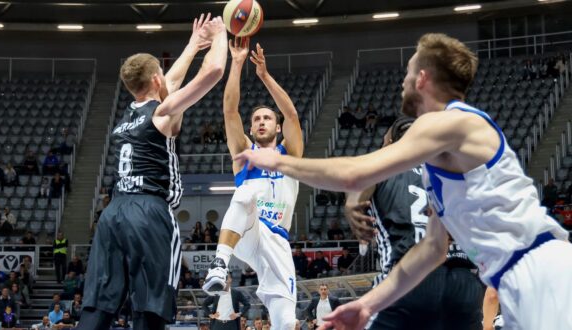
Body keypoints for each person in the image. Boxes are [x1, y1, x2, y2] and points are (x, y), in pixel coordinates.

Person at [234, 33, 572, 330]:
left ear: (422, 78)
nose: (402, 82)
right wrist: (369, 303)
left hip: (539, 268)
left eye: (408, 72)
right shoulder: (440, 164)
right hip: (516, 278)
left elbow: (357, 173)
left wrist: (279, 160)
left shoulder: (450, 122)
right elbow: (430, 251)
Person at [77, 13, 227, 330]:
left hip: (112, 213)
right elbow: (213, 71)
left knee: (98, 305)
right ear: (156, 80)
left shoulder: (128, 115)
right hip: (149, 211)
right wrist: (220, 35)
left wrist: (192, 44)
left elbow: (167, 83)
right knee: (151, 304)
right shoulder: (163, 113)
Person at [203, 37, 304, 330]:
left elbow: (293, 115)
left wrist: (264, 75)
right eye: (257, 119)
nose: (261, 121)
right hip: (250, 231)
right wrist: (236, 64)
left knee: (286, 322)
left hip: (278, 241)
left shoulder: (291, 154)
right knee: (245, 194)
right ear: (251, 127)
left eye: (267, 118)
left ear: (277, 126)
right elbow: (229, 111)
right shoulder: (244, 155)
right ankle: (220, 263)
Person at [345, 117, 483, 329]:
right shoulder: (451, 174)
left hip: (406, 276)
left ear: (390, 144)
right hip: (461, 280)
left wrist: (352, 205)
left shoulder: (384, 165)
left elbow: (358, 189)